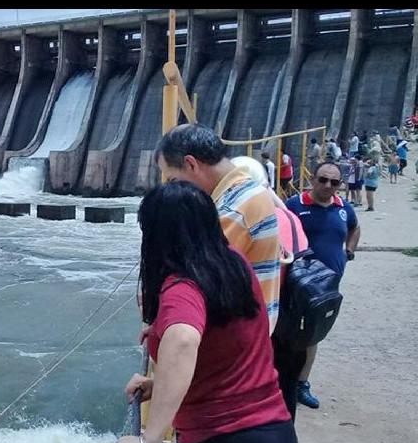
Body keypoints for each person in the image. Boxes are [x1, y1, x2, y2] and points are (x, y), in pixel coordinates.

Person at [115, 181, 298, 443]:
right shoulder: (232, 263)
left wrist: (148, 440)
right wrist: (161, 385)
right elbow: (222, 343)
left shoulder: (181, 287)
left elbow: (184, 341)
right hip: (274, 435)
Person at [154, 123, 281, 334]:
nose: (173, 188)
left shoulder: (233, 210)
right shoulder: (248, 191)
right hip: (252, 333)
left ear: (191, 164)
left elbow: (194, 278)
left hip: (236, 342)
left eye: (173, 180)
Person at [232, 156, 309, 419]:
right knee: (285, 396)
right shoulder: (289, 217)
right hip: (296, 318)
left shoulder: (251, 217)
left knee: (254, 403)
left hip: (268, 322)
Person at [285, 162, 360, 410]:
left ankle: (301, 384)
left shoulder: (343, 208)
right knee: (286, 331)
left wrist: (349, 250)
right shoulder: (295, 205)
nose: (328, 185)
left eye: (334, 182)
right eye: (323, 179)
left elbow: (355, 227)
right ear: (313, 179)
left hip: (327, 286)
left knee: (313, 334)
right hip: (297, 284)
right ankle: (280, 382)